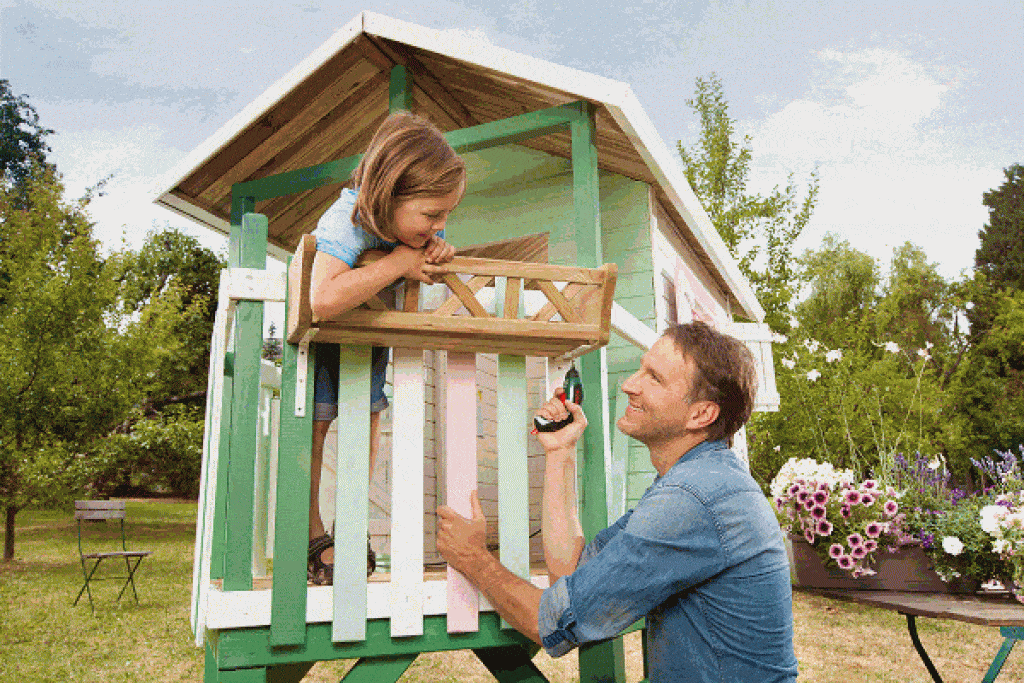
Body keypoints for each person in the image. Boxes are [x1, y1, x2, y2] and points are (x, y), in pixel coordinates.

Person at [436, 321, 798, 682]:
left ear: (701, 414)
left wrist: (473, 558)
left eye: (653, 378)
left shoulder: (692, 498)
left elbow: (550, 621)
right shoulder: (695, 482)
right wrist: (560, 454)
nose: (629, 384)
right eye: (641, 368)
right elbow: (572, 574)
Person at [308, 111, 464, 585]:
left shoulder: (407, 228)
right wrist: (398, 260)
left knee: (367, 430)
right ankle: (311, 533)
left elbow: (418, 250)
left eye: (446, 217)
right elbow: (324, 298)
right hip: (320, 349)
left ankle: (349, 528)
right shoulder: (346, 220)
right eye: (433, 215)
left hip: (368, 347)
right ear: (389, 192)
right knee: (314, 437)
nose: (439, 225)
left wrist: (435, 249)